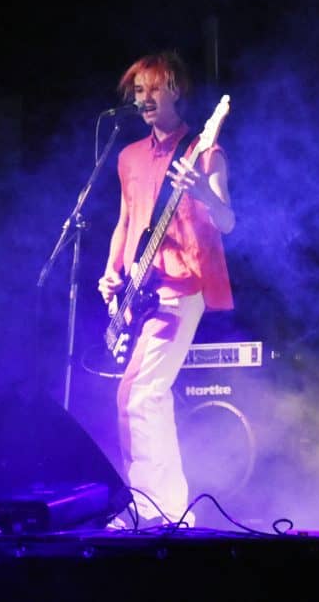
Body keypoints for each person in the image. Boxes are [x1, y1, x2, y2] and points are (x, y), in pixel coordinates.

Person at [97, 50, 235, 527]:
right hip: (140, 289)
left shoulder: (204, 151)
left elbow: (228, 220)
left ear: (177, 90)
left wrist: (201, 191)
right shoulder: (128, 157)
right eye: (139, 91)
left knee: (143, 392)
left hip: (182, 286)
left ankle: (156, 507)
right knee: (137, 394)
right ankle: (164, 506)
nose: (145, 98)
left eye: (154, 88)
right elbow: (125, 221)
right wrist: (112, 271)